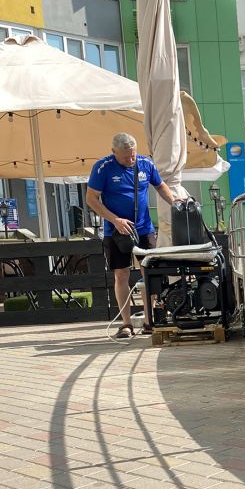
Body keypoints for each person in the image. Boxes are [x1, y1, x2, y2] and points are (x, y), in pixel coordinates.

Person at [86, 132, 178, 338]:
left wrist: (175, 203)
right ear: (114, 152)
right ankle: (126, 324)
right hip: (115, 231)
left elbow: (161, 185)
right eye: (126, 156)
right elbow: (91, 199)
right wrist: (115, 220)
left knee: (150, 274)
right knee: (121, 275)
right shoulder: (103, 168)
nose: (131, 159)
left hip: (144, 229)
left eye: (133, 154)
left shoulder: (145, 163)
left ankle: (149, 321)